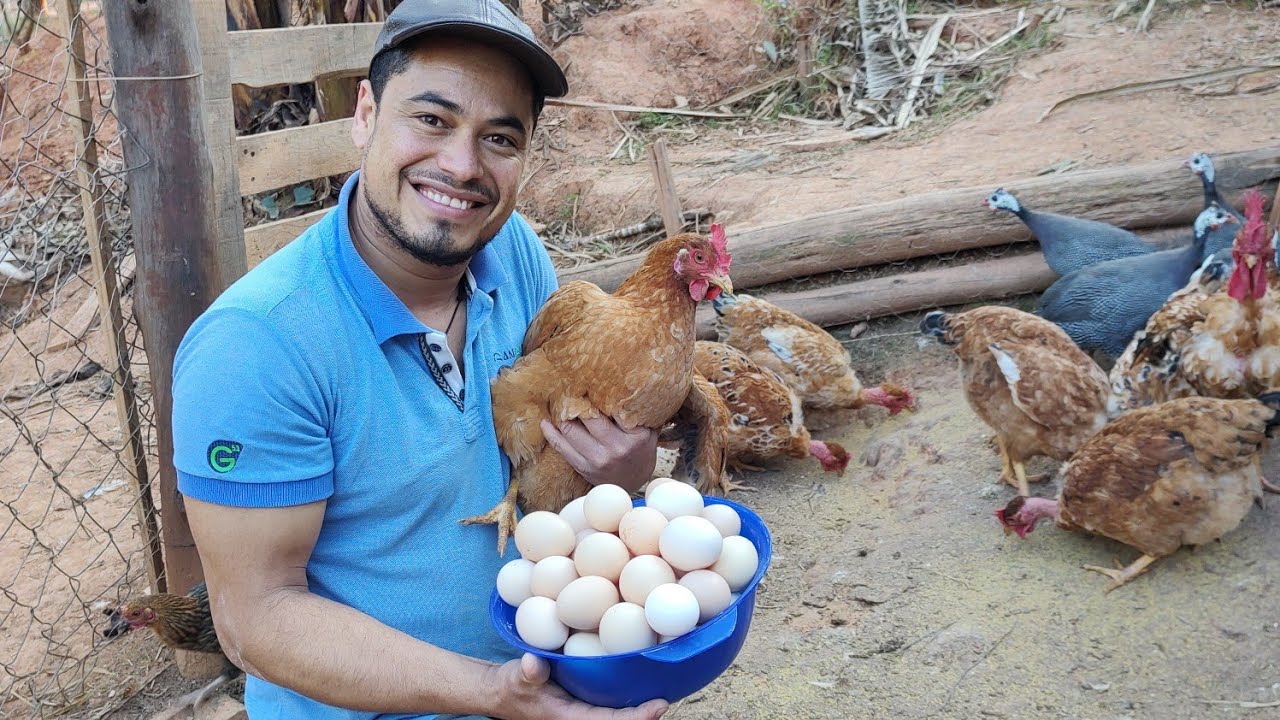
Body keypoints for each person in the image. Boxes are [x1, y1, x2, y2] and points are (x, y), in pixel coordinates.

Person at [171, 1, 669, 717]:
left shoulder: (515, 254)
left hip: (541, 678)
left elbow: (551, 465)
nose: (462, 166)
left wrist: (620, 476)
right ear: (365, 114)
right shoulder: (256, 347)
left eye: (499, 138)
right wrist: (491, 692)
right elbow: (257, 619)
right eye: (432, 120)